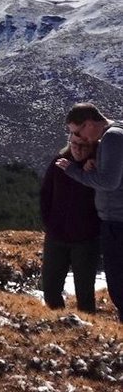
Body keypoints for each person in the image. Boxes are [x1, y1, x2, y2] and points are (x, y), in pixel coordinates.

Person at [55, 103, 123, 322]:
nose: (78, 137)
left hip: (117, 222)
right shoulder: (114, 134)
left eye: (77, 132)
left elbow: (109, 183)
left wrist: (73, 171)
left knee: (119, 286)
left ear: (90, 123)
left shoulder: (112, 137)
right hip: (116, 220)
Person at [39, 136, 99, 312]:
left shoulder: (97, 167)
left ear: (92, 147)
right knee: (50, 288)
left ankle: (86, 332)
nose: (78, 149)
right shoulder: (59, 164)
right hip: (56, 236)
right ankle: (58, 327)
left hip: (86, 240)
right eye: (74, 145)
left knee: (85, 292)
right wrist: (49, 223)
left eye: (83, 146)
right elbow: (45, 193)